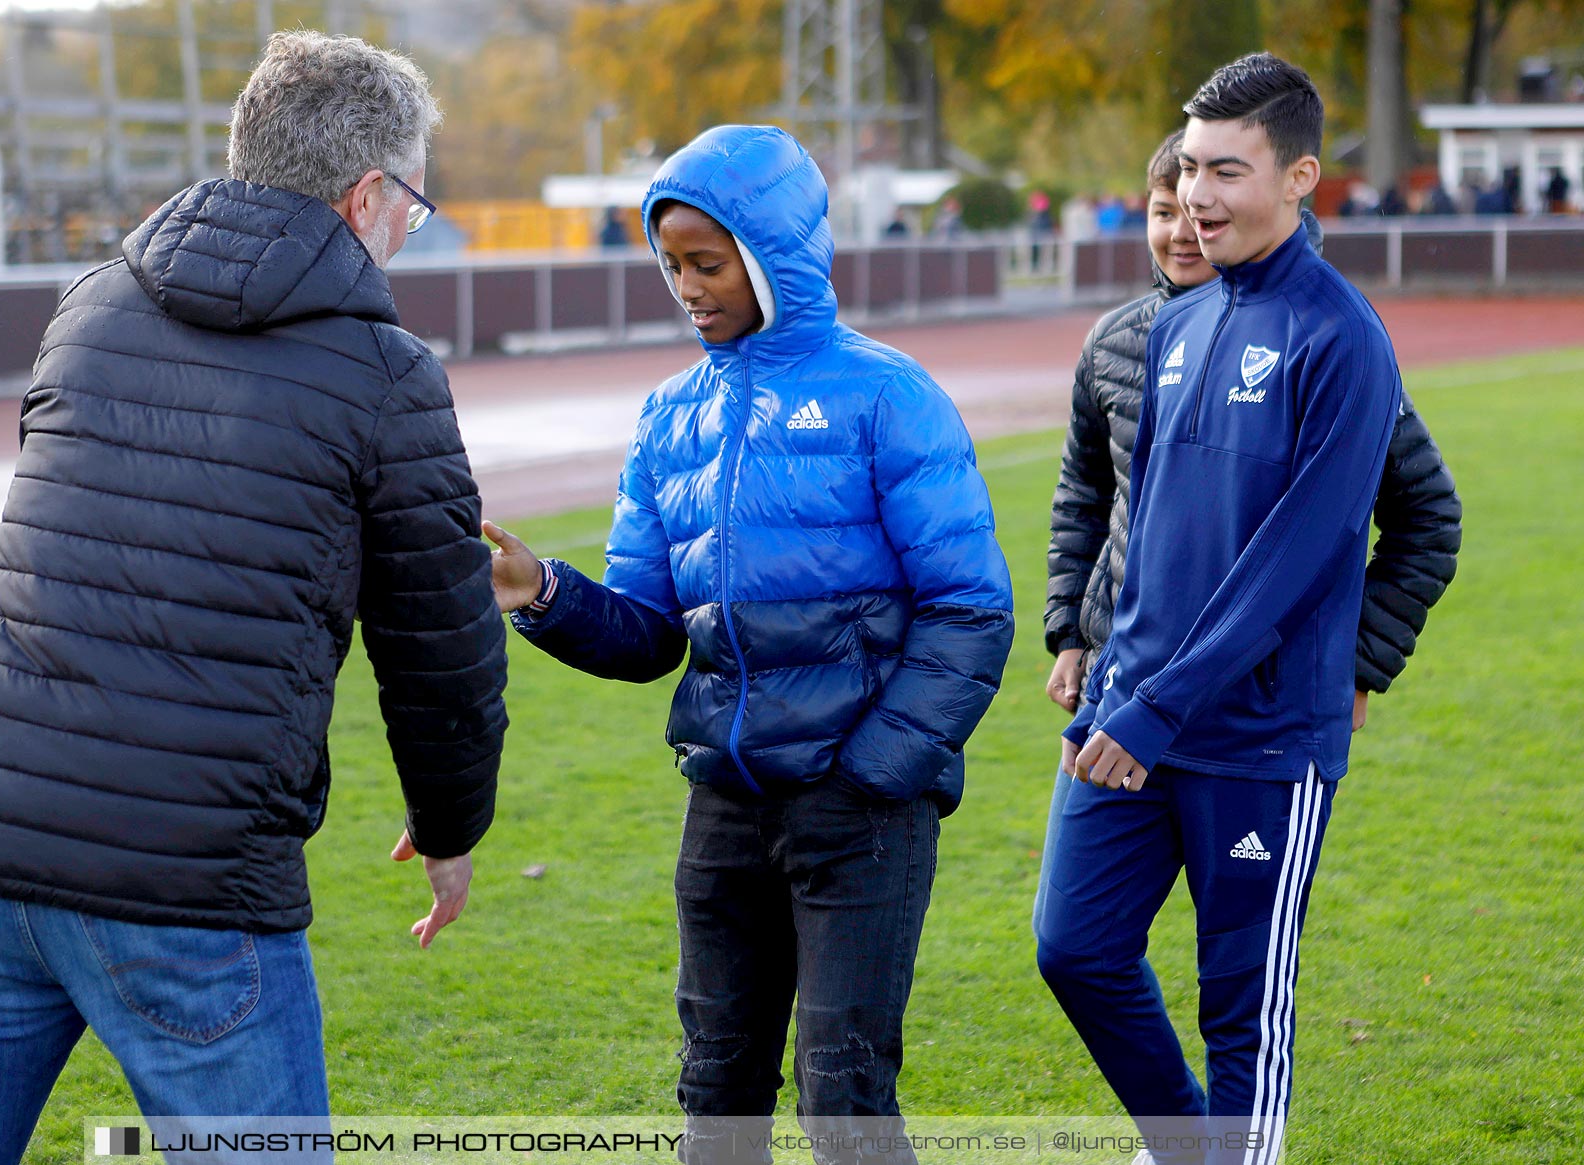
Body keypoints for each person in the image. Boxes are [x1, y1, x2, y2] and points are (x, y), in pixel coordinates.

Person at [0, 32, 508, 1165]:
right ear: (368, 194)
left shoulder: (89, 306)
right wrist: (453, 826)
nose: (414, 225)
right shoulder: (387, 374)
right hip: (188, 879)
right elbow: (439, 638)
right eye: (415, 198)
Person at [483, 125, 1014, 1164]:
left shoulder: (888, 395)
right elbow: (646, 634)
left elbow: (970, 609)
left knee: (843, 1101)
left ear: (777, 252)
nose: (687, 286)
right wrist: (538, 591)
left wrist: (871, 772)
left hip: (859, 811)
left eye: (708, 263)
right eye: (671, 264)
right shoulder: (669, 418)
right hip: (724, 809)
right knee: (716, 1094)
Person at [1035, 54, 1427, 1165]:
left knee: (1239, 1010)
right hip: (1129, 719)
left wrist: (1154, 707)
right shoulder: (1180, 322)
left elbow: (1294, 560)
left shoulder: (1342, 338)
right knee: (1075, 948)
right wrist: (1108, 686)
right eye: (1191, 168)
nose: (1198, 197)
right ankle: (1192, 1148)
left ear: (1300, 176)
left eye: (1228, 171)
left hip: (1255, 738)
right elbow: (1147, 533)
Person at [1035, 130, 1461, 933]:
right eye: (1165, 208)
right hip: (1122, 688)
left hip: (1254, 709)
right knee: (1073, 945)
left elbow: (1425, 514)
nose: (1182, 228)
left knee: (1238, 973)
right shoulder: (1119, 343)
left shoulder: (1329, 343)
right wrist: (1071, 630)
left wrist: (1358, 658)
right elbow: (1088, 497)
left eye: (1203, 199)